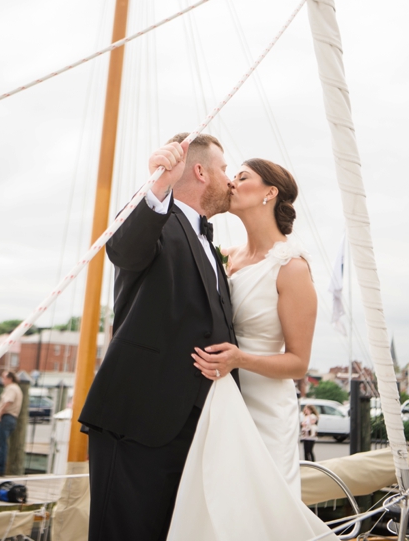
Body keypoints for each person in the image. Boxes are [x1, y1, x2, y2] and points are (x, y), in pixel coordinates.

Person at [166, 158, 338, 540]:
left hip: (266, 410)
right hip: (221, 400)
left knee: (264, 516)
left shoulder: (291, 268)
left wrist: (240, 359)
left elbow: (298, 363)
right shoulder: (223, 256)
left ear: (269, 193)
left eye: (242, 177)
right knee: (215, 507)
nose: (231, 182)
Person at [78, 133, 236, 541]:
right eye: (223, 169)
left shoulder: (211, 246)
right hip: (139, 423)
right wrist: (159, 184)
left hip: (193, 428)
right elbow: (126, 250)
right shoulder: (157, 221)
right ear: (199, 171)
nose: (230, 179)